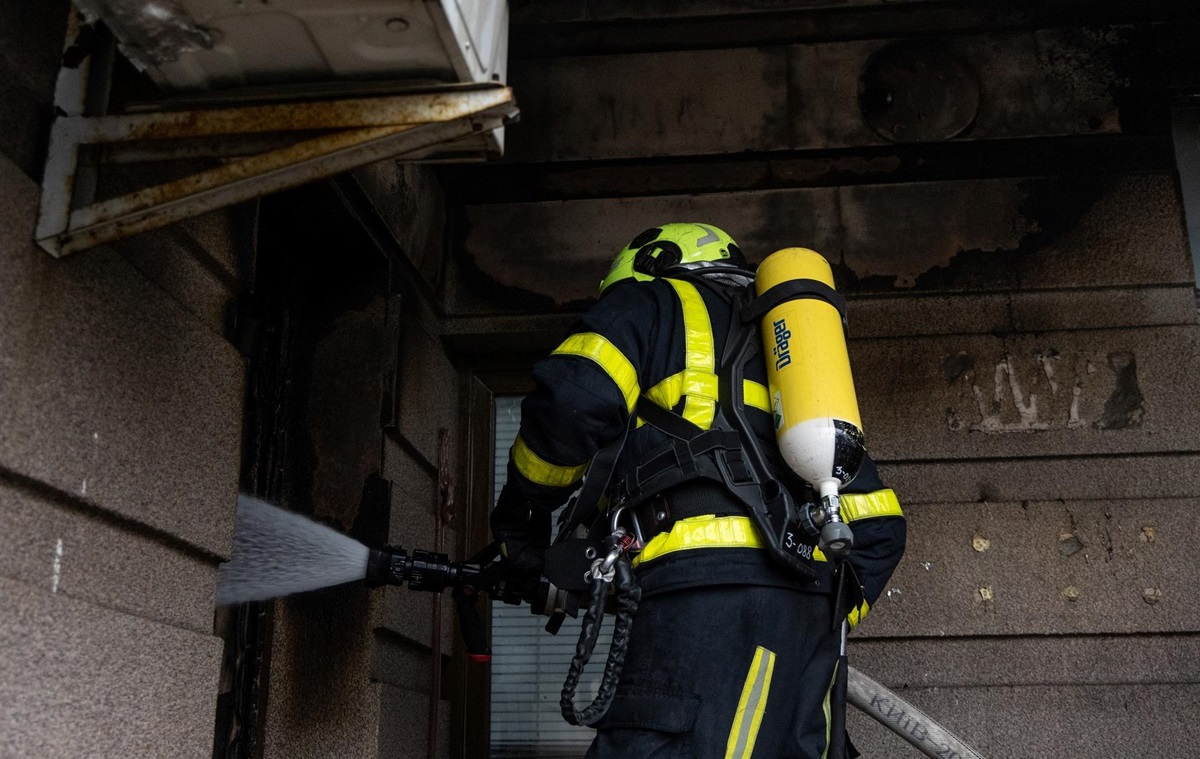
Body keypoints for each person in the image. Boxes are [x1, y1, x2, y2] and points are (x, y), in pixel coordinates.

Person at [491, 223, 907, 759]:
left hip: (703, 602)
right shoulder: (792, 368)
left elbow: (572, 404)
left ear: (656, 262)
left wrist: (520, 519)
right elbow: (879, 528)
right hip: (808, 619)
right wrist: (811, 612)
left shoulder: (649, 301)